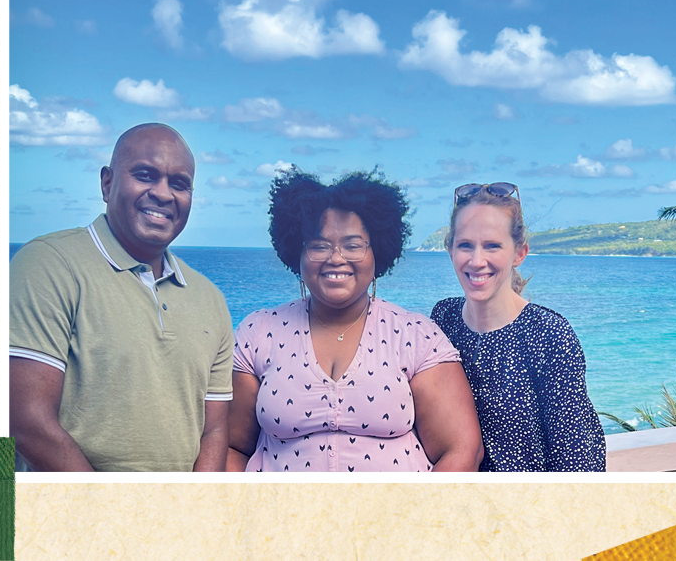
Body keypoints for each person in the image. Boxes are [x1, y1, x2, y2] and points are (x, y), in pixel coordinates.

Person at [9, 123, 234, 472]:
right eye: (145, 175)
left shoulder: (210, 299)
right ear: (107, 182)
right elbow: (26, 421)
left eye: (179, 183)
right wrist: (112, 514)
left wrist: (194, 511)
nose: (163, 193)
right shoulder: (48, 263)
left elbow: (215, 432)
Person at [227, 169, 483, 472]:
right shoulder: (258, 334)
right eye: (319, 245)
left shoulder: (415, 335)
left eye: (353, 245)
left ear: (378, 253)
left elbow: (462, 449)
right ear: (297, 253)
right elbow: (232, 446)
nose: (336, 258)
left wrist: (416, 518)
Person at [431, 182, 605, 472]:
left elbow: (577, 462)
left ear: (519, 253)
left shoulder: (549, 335)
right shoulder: (443, 319)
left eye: (492, 246)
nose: (477, 261)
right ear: (450, 250)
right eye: (465, 245)